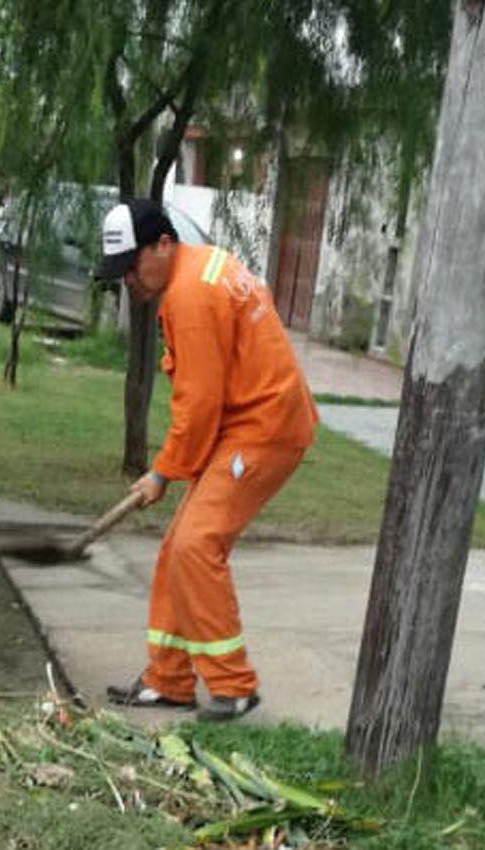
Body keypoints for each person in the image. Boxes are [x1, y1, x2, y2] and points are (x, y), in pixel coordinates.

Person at [97, 199, 318, 722]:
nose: (128, 279)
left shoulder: (189, 296)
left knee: (196, 546)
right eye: (121, 270)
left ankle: (234, 686)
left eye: (132, 265)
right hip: (247, 422)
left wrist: (162, 472)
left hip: (264, 429)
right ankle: (168, 680)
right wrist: (172, 467)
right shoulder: (200, 266)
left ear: (164, 245)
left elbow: (198, 406)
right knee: (178, 546)